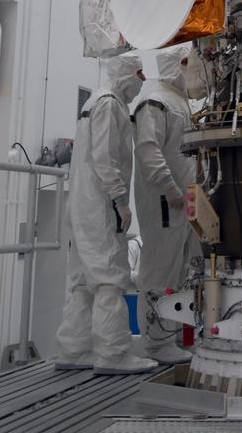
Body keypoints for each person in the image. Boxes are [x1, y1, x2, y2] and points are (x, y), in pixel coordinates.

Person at [55, 53, 157, 375]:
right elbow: (104, 158)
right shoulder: (110, 103)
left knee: (83, 280)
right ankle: (113, 354)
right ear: (127, 74)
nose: (140, 83)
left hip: (82, 203)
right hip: (100, 205)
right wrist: (120, 200)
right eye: (139, 75)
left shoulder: (94, 103)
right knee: (109, 278)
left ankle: (74, 349)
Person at [133, 45, 200, 363]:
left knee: (182, 270)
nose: (192, 70)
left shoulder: (179, 102)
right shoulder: (154, 102)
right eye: (188, 64)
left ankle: (174, 335)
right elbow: (149, 152)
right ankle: (157, 343)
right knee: (161, 270)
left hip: (182, 204)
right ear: (177, 64)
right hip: (166, 203)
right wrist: (171, 190)